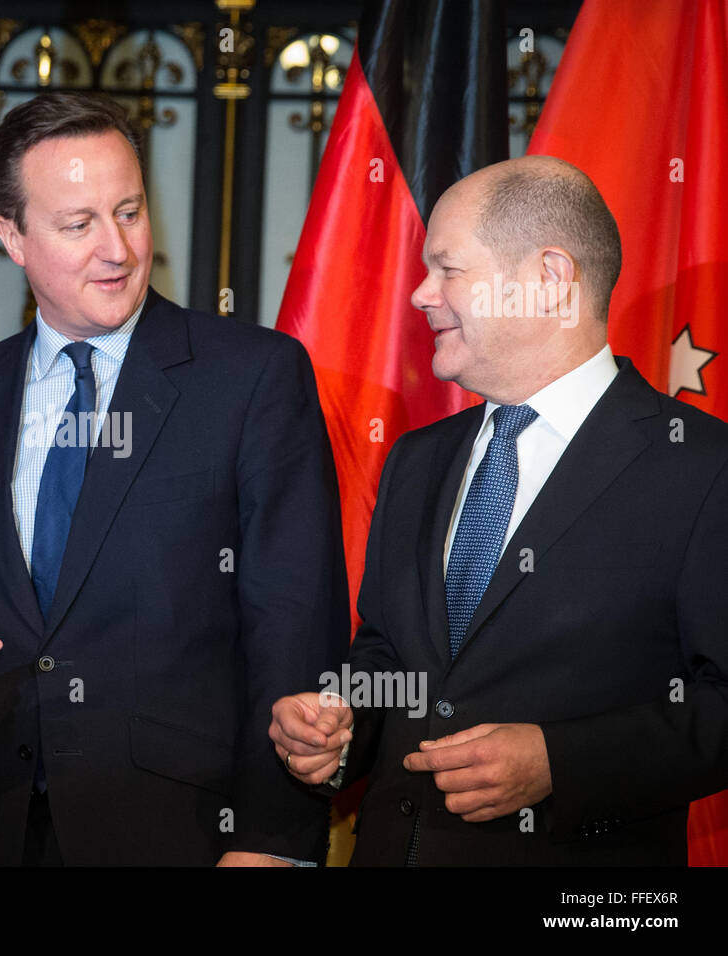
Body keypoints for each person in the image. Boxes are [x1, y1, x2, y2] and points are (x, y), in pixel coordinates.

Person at [0, 92, 347, 866]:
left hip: (183, 836)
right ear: (12, 236)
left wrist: (271, 841)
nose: (117, 249)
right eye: (77, 224)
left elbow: (294, 618)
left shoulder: (253, 378)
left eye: (128, 212)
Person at [271, 155, 728, 865]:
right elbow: (391, 655)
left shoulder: (701, 466)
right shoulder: (417, 459)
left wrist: (559, 762)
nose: (421, 294)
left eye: (448, 269)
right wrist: (339, 727)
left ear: (549, 279)